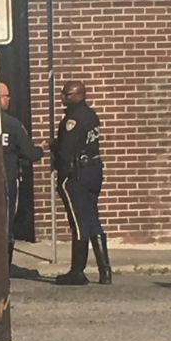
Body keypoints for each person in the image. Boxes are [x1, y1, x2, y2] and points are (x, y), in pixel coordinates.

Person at [46, 80, 111, 285]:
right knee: (92, 218)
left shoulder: (72, 120)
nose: (62, 98)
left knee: (79, 222)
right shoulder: (91, 115)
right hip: (94, 171)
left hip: (77, 175)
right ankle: (105, 270)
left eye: (66, 94)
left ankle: (77, 271)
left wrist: (61, 170)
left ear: (76, 95)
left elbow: (66, 151)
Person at [0, 83, 43, 274]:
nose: (9, 99)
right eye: (6, 96)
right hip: (7, 180)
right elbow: (30, 153)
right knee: (7, 223)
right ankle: (4, 268)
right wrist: (41, 148)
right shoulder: (12, 125)